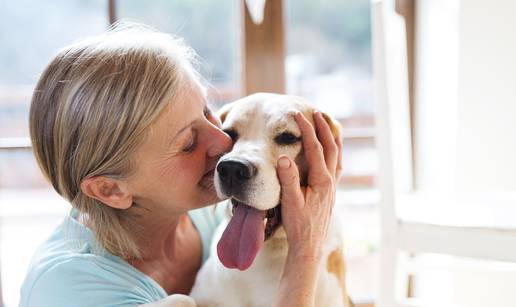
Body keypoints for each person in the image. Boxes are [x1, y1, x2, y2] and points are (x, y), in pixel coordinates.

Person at [19, 23, 342, 307]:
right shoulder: (69, 292)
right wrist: (306, 252)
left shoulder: (207, 212)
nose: (223, 146)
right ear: (111, 189)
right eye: (188, 143)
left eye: (207, 114)